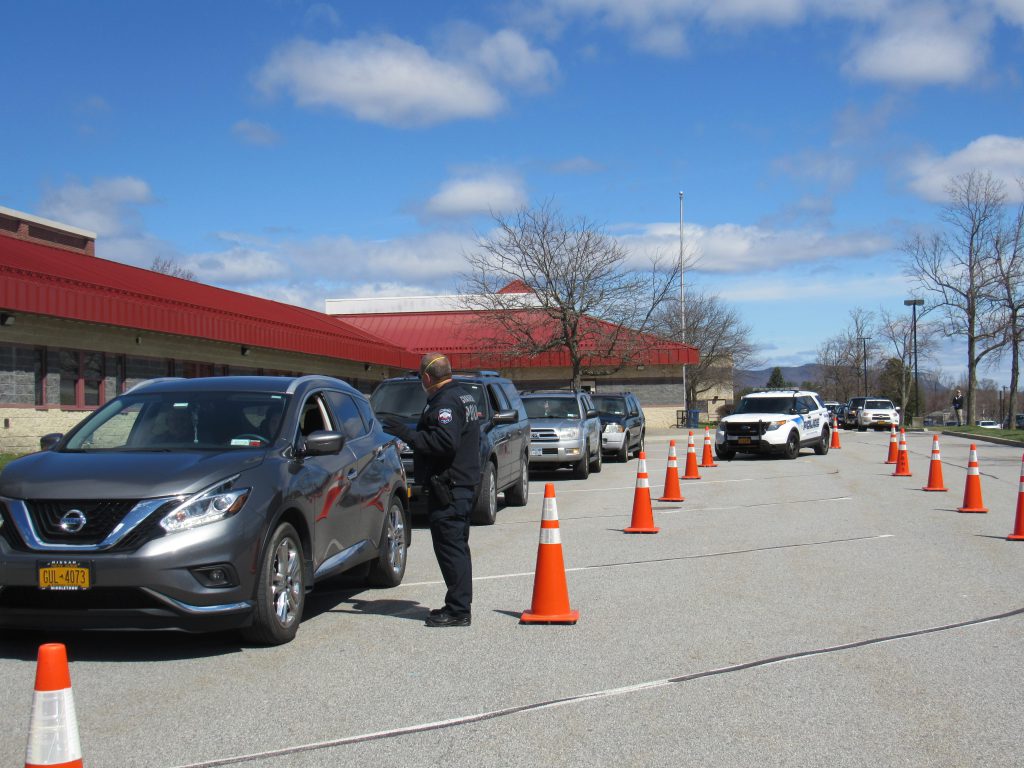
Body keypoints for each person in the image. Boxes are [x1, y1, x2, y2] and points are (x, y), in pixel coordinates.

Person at [382, 353, 480, 627]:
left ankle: (459, 610)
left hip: (450, 487)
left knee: (450, 548)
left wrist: (407, 433)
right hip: (461, 484)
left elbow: (445, 442)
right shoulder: (462, 395)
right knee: (457, 547)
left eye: (419, 377)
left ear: (426, 377)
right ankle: (459, 604)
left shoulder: (446, 401)